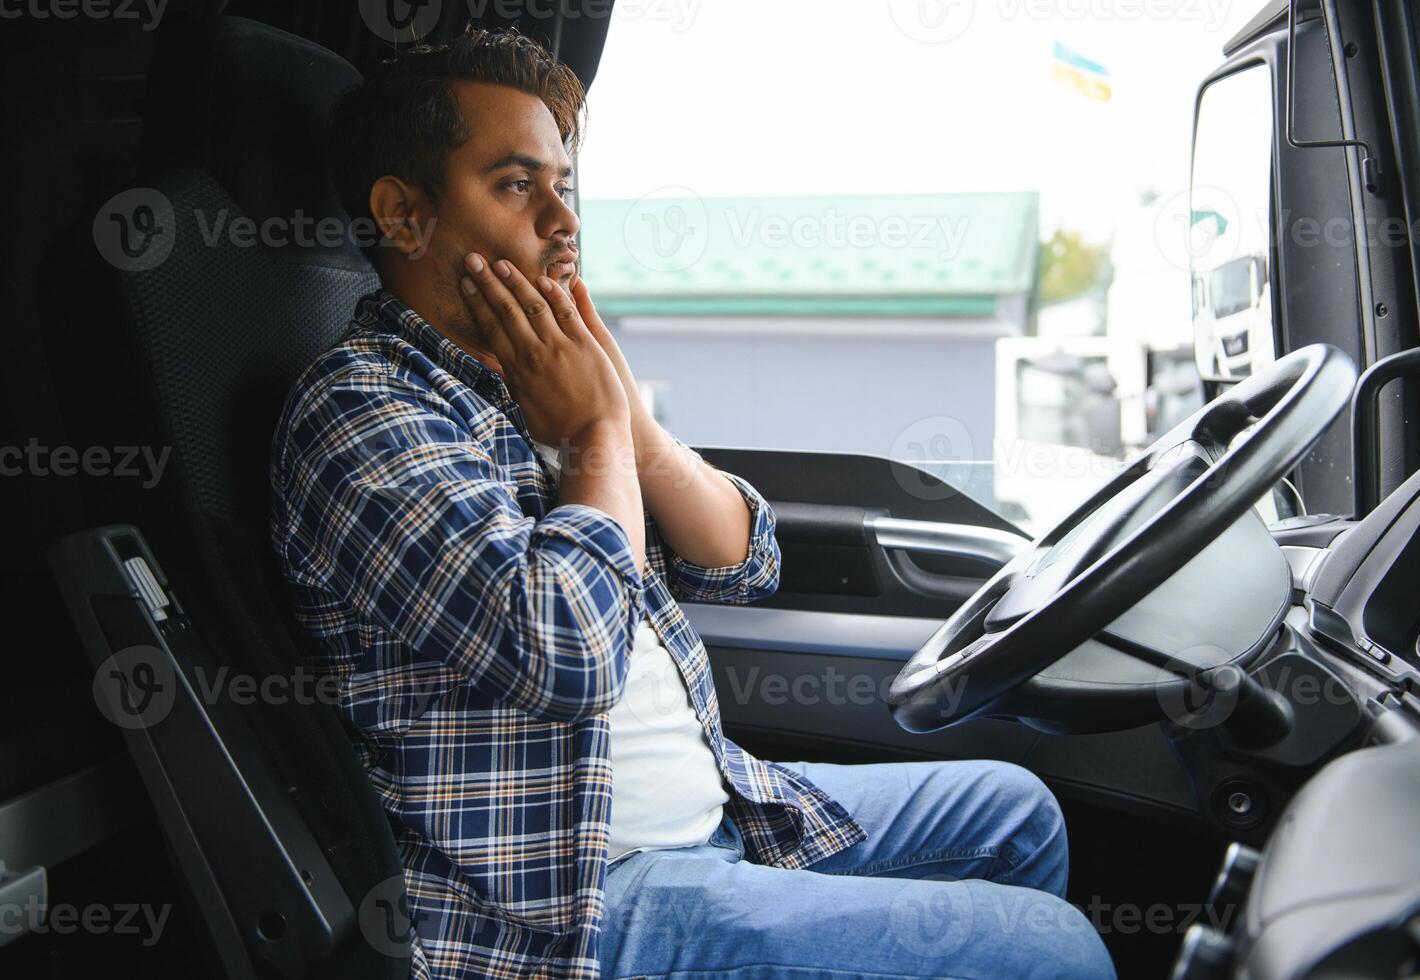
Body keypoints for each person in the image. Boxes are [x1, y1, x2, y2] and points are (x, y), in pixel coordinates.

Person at [269, 24, 1115, 980]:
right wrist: (593, 438)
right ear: (404, 214)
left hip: (713, 808)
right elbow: (567, 657)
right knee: (1054, 951)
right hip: (575, 898)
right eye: (516, 185)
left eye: (563, 186)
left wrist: (628, 420)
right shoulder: (361, 412)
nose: (563, 221)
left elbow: (740, 559)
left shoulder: (530, 381)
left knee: (1015, 812)